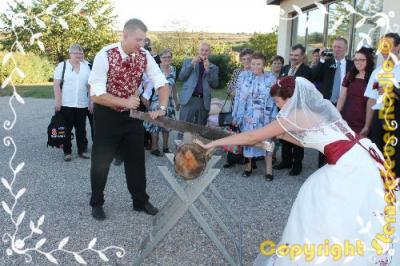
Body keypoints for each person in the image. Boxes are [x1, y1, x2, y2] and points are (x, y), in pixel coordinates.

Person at [195, 76, 396, 265]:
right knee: (360, 210)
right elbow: (308, 140)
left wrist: (216, 142)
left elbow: (252, 137)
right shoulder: (315, 111)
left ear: (290, 99)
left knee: (322, 206)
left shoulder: (294, 114)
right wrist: (279, 136)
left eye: (278, 103)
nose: (278, 107)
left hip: (349, 165)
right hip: (361, 154)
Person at [88, 18, 169, 220]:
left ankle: (140, 201)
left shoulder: (144, 55)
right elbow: (96, 94)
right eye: (138, 40)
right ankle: (96, 202)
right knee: (101, 161)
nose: (142, 45)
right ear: (125, 35)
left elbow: (161, 82)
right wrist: (125, 102)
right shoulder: (104, 55)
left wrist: (162, 107)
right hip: (106, 115)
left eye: (144, 41)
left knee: (136, 160)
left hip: (132, 116)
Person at [232, 52, 278, 180]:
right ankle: (248, 168)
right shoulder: (244, 76)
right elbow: (238, 98)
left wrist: (274, 117)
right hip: (248, 117)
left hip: (265, 118)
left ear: (264, 64)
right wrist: (236, 115)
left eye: (258, 64)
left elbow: (275, 99)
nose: (255, 66)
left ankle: (269, 170)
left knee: (267, 143)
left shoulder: (271, 78)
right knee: (248, 142)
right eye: (253, 64)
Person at [312, 37, 354, 167]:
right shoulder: (326, 63)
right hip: (328, 105)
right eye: (334, 46)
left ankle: (339, 164)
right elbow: (314, 76)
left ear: (346, 49)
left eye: (339, 47)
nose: (336, 49)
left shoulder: (352, 65)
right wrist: (322, 59)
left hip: (346, 105)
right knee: (325, 135)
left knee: (342, 135)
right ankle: (322, 165)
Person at [364, 32, 400, 180]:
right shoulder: (376, 72)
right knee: (377, 155)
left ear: (398, 47)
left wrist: (392, 90)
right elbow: (371, 100)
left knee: (395, 158)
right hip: (378, 119)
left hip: (397, 117)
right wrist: (367, 125)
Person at [274, 44, 312, 176]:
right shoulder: (285, 68)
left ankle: (297, 165)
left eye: (296, 55)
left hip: (298, 110)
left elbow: (306, 92)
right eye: (292, 55)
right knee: (285, 137)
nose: (293, 57)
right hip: (285, 109)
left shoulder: (307, 71)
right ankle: (286, 161)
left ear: (302, 56)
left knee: (297, 138)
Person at [53, 43, 91, 161]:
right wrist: (58, 101)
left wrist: (91, 102)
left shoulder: (87, 66)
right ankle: (67, 152)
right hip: (66, 103)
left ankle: (82, 151)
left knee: (81, 129)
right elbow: (56, 85)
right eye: (76, 53)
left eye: (81, 53)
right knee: (67, 128)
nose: (79, 55)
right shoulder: (62, 65)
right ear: (70, 53)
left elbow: (90, 86)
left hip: (82, 103)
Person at [178, 42, 219, 137]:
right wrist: (192, 64)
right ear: (198, 50)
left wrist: (208, 69)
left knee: (199, 132)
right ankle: (180, 150)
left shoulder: (214, 67)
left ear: (210, 52)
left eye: (206, 50)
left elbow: (215, 84)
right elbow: (181, 77)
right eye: (202, 50)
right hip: (189, 99)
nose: (204, 52)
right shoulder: (188, 61)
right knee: (183, 129)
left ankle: (196, 150)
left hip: (203, 101)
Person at [142, 48, 178, 155]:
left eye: (168, 57)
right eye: (164, 57)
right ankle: (154, 148)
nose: (166, 59)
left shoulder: (174, 69)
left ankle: (166, 147)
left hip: (169, 102)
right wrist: (146, 97)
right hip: (157, 101)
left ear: (171, 58)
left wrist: (177, 100)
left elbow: (174, 85)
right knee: (155, 125)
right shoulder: (156, 69)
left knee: (167, 125)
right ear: (160, 59)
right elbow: (148, 84)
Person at [223, 48, 253, 168]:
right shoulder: (237, 72)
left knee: (248, 134)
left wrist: (240, 92)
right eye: (244, 59)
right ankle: (231, 158)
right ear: (241, 60)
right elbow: (229, 89)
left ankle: (248, 161)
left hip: (249, 110)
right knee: (233, 133)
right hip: (236, 107)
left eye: (249, 59)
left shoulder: (255, 72)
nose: (246, 61)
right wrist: (234, 92)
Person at [336, 47, 375, 135]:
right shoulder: (350, 75)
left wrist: (367, 126)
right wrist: (336, 114)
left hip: (364, 119)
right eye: (356, 60)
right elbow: (342, 97)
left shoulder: (374, 77)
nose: (358, 62)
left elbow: (372, 102)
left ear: (368, 60)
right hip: (346, 117)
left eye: (362, 60)